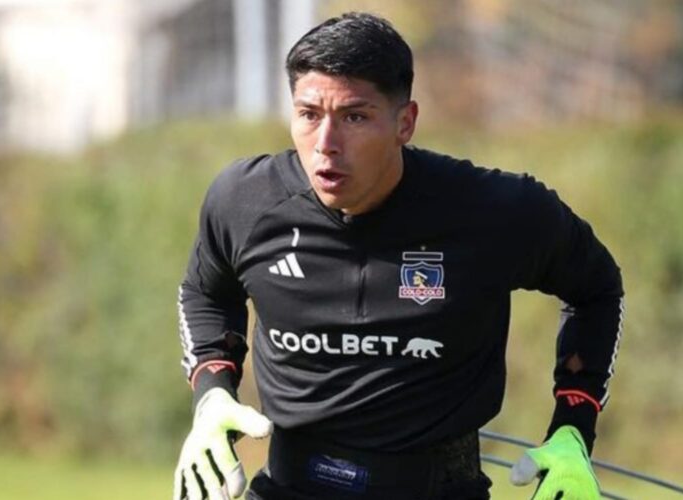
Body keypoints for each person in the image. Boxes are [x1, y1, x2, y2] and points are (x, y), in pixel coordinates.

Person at [173, 12, 623, 500]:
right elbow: (205, 290)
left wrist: (573, 430)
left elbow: (595, 289)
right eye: (308, 115)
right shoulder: (244, 201)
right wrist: (212, 393)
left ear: (404, 123)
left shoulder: (495, 211)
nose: (325, 144)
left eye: (354, 117)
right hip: (288, 485)